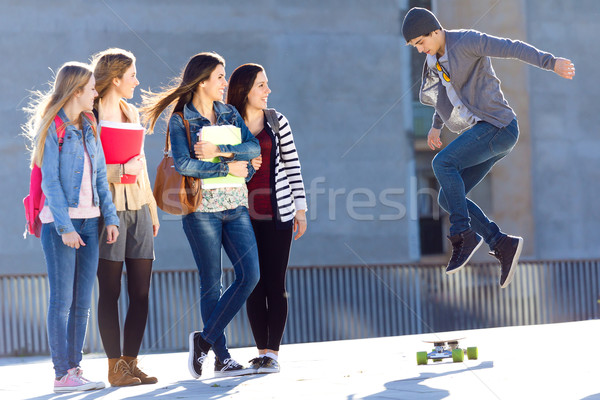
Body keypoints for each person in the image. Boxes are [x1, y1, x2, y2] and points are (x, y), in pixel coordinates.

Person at [401, 7, 575, 287]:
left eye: (421, 43)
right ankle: (500, 243)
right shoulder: (435, 60)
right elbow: (445, 94)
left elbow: (511, 47)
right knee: (447, 198)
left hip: (500, 127)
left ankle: (463, 235)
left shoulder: (467, 41)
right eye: (415, 47)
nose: (421, 50)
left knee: (442, 164)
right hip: (488, 133)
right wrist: (436, 125)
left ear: (434, 31)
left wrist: (550, 62)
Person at [141, 52, 261, 378]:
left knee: (250, 275)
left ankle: (203, 341)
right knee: (211, 284)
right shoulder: (181, 119)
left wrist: (222, 152)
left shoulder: (229, 113)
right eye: (220, 77)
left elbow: (253, 148)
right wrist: (225, 166)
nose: (225, 84)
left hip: (235, 206)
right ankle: (222, 357)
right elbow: (183, 164)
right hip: (200, 210)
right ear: (204, 81)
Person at [23, 62, 120, 393]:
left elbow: (100, 176)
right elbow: (50, 180)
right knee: (62, 300)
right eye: (92, 88)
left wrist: (110, 217)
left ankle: (75, 369)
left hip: (91, 222)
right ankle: (62, 373)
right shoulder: (53, 127)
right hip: (60, 224)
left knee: (82, 302)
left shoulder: (91, 124)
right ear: (77, 91)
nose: (96, 93)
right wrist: (65, 226)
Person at [224, 63, 307, 374]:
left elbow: (293, 165)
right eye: (261, 85)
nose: (267, 90)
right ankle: (261, 351)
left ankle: (272, 354)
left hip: (278, 214)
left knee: (275, 282)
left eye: (267, 84)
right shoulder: (228, 124)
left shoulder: (276, 121)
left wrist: (301, 210)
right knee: (251, 283)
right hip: (240, 218)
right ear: (245, 89)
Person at [91, 48, 159, 386]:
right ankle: (113, 366)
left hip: (138, 208)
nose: (137, 80)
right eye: (132, 75)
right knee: (110, 292)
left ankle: (130, 363)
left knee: (141, 292)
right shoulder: (88, 115)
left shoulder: (131, 111)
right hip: (108, 211)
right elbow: (85, 169)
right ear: (116, 79)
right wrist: (119, 170)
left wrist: (151, 206)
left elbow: (141, 165)